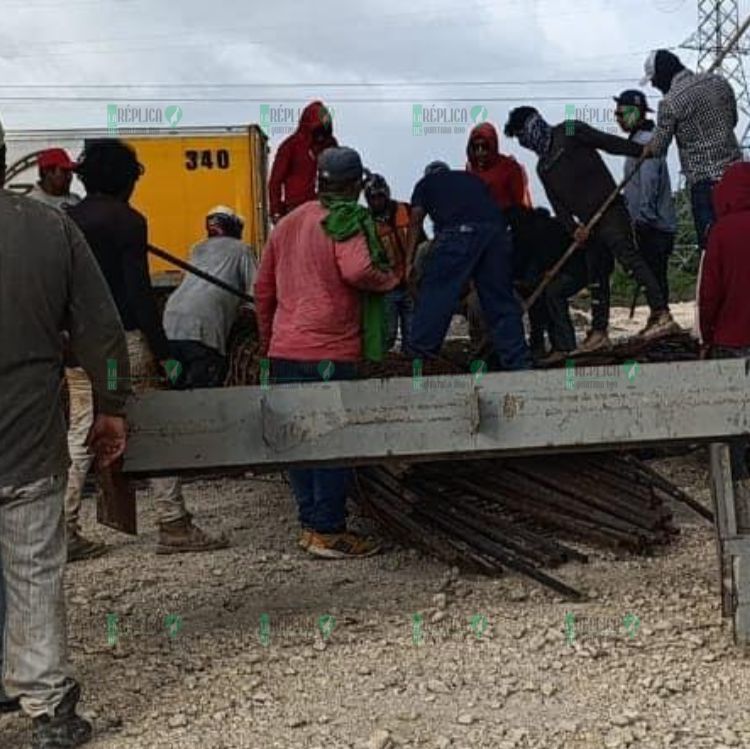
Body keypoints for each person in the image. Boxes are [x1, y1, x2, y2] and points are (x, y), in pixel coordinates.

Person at [0, 117, 130, 747]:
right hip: (26, 439)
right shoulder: (50, 229)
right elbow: (101, 329)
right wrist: (110, 404)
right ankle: (47, 705)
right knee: (32, 565)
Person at [67, 139, 228, 555]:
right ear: (125, 179)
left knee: (82, 430)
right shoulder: (128, 221)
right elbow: (139, 296)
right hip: (125, 344)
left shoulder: (67, 220)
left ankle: (63, 530)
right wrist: (166, 353)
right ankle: (173, 523)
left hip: (78, 347)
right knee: (155, 426)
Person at [255, 146, 402, 559]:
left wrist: (269, 340)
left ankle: (310, 524)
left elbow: (263, 289)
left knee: (298, 440)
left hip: (287, 349)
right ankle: (329, 530)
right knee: (332, 440)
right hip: (329, 351)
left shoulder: (287, 223)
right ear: (355, 185)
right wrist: (387, 280)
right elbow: (357, 270)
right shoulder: (346, 220)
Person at [504, 107, 679, 353]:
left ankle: (661, 313)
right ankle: (599, 332)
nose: (525, 143)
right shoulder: (543, 168)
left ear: (534, 126)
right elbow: (559, 206)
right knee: (596, 273)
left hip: (610, 210)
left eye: (523, 135)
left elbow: (605, 142)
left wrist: (641, 151)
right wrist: (573, 229)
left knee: (629, 259)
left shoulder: (570, 130)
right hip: (589, 224)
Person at [404, 161, 530, 370]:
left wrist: (408, 263)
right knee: (499, 298)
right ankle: (519, 362)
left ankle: (420, 356)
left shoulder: (425, 184)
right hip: (496, 233)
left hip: (460, 232)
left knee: (438, 291)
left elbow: (416, 221)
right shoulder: (472, 180)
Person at [641, 50, 742, 250]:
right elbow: (733, 120)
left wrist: (647, 149)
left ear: (662, 75)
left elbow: (659, 148)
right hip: (740, 178)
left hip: (707, 185)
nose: (652, 85)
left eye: (653, 80)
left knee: (713, 250)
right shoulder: (718, 82)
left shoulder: (670, 102)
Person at [163, 205, 257, 388]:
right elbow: (257, 289)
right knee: (203, 397)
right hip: (203, 330)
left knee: (176, 393)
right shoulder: (241, 249)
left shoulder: (197, 249)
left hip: (170, 323)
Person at [699, 163, 750, 494]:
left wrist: (706, 335)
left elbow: (710, 294)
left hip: (731, 341)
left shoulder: (721, 232)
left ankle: (738, 486)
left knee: (733, 416)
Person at [614, 89, 677, 301]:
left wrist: (643, 218)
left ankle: (661, 319)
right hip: (648, 223)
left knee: (655, 278)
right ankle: (657, 319)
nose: (617, 118)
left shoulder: (647, 141)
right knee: (651, 279)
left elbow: (650, 182)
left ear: (634, 113)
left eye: (621, 113)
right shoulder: (637, 141)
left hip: (653, 226)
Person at [507, 205, 588, 362]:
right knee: (538, 297)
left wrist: (551, 270)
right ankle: (540, 346)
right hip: (551, 273)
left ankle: (565, 347)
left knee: (553, 293)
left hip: (572, 270)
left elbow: (558, 254)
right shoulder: (526, 233)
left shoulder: (544, 230)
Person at [363, 173, 425, 351]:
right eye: (372, 197)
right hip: (387, 287)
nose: (377, 201)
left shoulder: (405, 210)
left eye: (380, 196)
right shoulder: (366, 223)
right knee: (387, 335)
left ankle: (411, 367)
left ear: (386, 194)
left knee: (413, 336)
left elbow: (421, 242)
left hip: (411, 283)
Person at [268, 101, 337, 224]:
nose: (321, 135)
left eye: (324, 130)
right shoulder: (290, 146)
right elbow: (275, 181)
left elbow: (340, 171)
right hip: (296, 210)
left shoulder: (330, 144)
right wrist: (276, 212)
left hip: (326, 208)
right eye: (318, 129)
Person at [466, 121, 532, 210]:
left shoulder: (510, 167)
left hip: (506, 220)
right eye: (476, 147)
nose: (480, 151)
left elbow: (521, 205)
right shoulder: (470, 170)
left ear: (493, 145)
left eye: (484, 146)